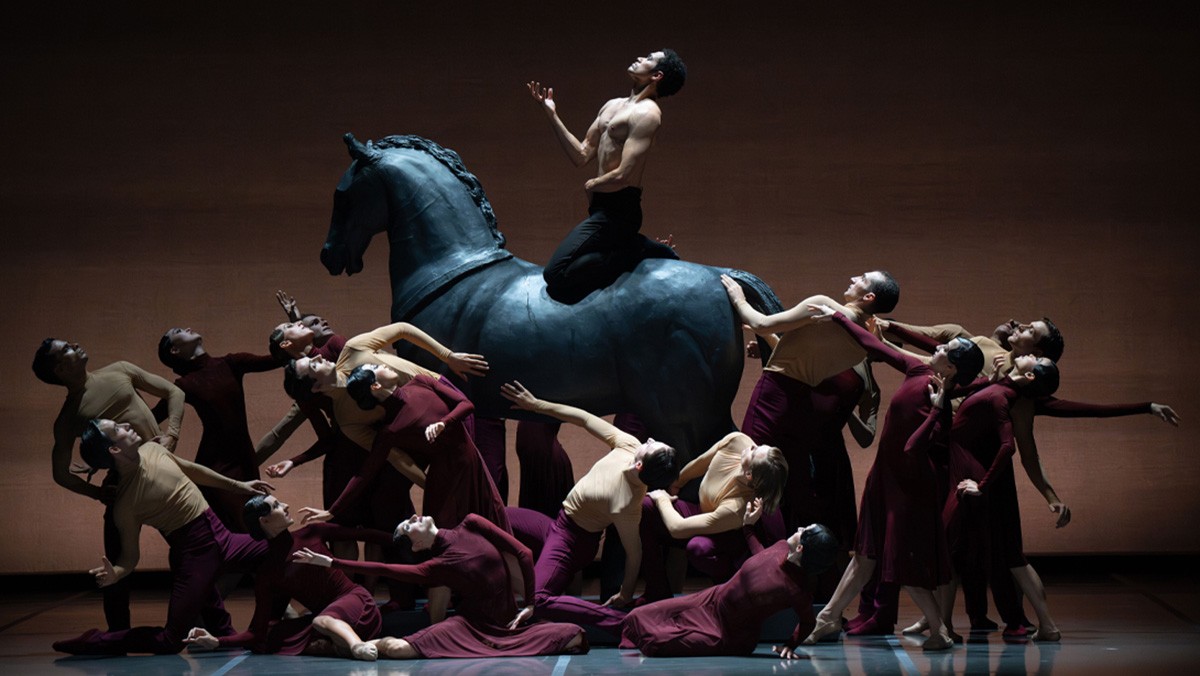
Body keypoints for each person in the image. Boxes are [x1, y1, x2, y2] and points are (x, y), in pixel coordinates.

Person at [800, 304, 984, 651]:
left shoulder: (941, 402)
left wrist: (938, 405)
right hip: (884, 476)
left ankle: (939, 631)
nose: (937, 348)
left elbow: (915, 448)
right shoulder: (917, 368)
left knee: (897, 560)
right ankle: (827, 618)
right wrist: (839, 318)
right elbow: (876, 346)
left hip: (911, 486)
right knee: (865, 554)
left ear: (952, 367)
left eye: (945, 350)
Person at [721, 272, 895, 580]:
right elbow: (804, 357)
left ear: (869, 297)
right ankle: (784, 567)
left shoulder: (823, 304)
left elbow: (761, 323)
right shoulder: (860, 344)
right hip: (798, 407)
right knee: (783, 486)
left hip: (774, 393)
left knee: (750, 474)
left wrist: (737, 297)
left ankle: (752, 566)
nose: (854, 277)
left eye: (863, 277)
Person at [52, 420, 272, 655]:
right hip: (193, 558)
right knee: (170, 641)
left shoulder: (153, 449)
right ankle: (95, 641)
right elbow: (129, 556)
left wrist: (239, 486)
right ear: (114, 449)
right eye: (118, 429)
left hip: (224, 538)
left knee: (285, 550)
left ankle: (245, 631)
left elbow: (191, 470)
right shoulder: (125, 505)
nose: (126, 424)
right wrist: (117, 572)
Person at [500, 381, 679, 636]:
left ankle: (623, 622)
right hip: (557, 524)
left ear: (641, 465)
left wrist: (625, 593)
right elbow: (584, 419)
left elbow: (635, 553)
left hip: (574, 543)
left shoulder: (627, 503)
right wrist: (536, 405)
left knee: (539, 599)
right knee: (494, 516)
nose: (649, 438)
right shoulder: (629, 445)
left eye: (652, 445)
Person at [33, 338, 186, 631]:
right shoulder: (67, 418)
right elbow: (60, 473)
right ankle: (118, 634)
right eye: (66, 349)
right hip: (123, 485)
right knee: (116, 564)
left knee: (195, 547)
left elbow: (173, 391)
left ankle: (209, 621)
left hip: (161, 475)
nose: (76, 345)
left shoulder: (120, 370)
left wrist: (172, 435)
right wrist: (98, 493)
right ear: (61, 368)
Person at [294, 514, 588, 659]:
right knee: (397, 649)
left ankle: (341, 646)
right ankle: (344, 648)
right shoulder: (434, 566)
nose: (413, 517)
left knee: (574, 635)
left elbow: (524, 553)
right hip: (469, 626)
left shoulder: (471, 522)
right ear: (418, 544)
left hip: (506, 624)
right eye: (408, 526)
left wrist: (531, 604)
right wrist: (332, 563)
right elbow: (383, 568)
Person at [528, 49, 686, 303]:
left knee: (555, 273)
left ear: (657, 75)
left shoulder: (648, 114)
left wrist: (593, 184)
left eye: (648, 59)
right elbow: (581, 155)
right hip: (602, 208)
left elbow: (624, 174)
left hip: (620, 211)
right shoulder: (612, 105)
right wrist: (552, 114)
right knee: (577, 264)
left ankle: (637, 249)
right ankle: (636, 246)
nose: (639, 58)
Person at [621, 501, 838, 658]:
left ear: (800, 548)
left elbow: (809, 621)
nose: (799, 528)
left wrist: (790, 645)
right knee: (637, 616)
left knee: (655, 643)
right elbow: (761, 555)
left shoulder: (795, 590)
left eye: (803, 531)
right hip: (710, 599)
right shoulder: (781, 546)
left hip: (727, 634)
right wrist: (748, 527)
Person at [183, 495, 389, 660]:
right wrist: (217, 641)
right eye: (277, 506)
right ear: (264, 521)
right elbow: (257, 632)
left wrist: (400, 539)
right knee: (273, 635)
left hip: (355, 602)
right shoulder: (268, 573)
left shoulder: (312, 532)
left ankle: (357, 646)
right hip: (328, 619)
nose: (286, 505)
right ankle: (339, 647)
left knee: (321, 620)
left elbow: (364, 535)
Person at [158, 327, 283, 531]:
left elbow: (277, 359)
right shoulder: (183, 385)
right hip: (216, 464)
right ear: (174, 350)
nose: (188, 327)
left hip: (244, 458)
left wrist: (294, 324)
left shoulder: (231, 363)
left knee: (257, 521)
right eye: (179, 330)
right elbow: (153, 415)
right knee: (236, 524)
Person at [639, 431, 788, 601]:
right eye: (760, 446)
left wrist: (662, 498)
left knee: (699, 548)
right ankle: (656, 590)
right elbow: (700, 463)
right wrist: (675, 483)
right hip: (706, 512)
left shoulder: (738, 507)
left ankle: (729, 593)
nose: (753, 446)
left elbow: (677, 529)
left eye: (754, 452)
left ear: (749, 476)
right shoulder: (738, 441)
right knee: (645, 507)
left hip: (727, 533)